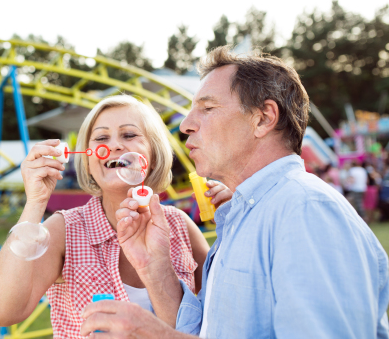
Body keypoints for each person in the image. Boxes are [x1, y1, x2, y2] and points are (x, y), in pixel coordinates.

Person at [81, 46, 389, 338]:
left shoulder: (305, 210)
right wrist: (156, 269)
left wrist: (157, 335)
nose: (186, 125)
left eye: (207, 108)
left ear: (263, 118)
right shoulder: (247, 216)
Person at [0, 95, 232, 338]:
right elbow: (0, 313)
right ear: (89, 163)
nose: (113, 145)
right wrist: (36, 201)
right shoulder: (65, 230)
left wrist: (235, 222)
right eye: (101, 137)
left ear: (154, 157)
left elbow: (226, 314)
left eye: (129, 135)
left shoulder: (179, 226)